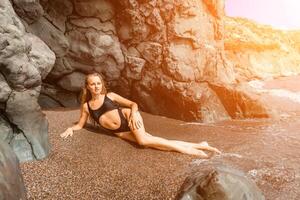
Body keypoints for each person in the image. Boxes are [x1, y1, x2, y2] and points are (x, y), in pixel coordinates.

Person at [60, 73, 221, 158]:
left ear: (101, 84)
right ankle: (200, 144)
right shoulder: (87, 107)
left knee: (144, 141)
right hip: (120, 132)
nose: (96, 86)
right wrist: (71, 129)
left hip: (129, 117)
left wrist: (133, 115)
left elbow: (133, 104)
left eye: (98, 83)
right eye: (92, 84)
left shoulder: (111, 96)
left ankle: (189, 151)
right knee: (156, 143)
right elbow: (80, 124)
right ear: (87, 87)